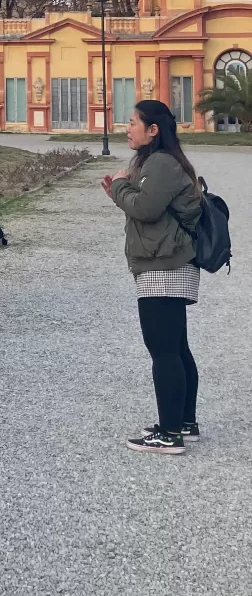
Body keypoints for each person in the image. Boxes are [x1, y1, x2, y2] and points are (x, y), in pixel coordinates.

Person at [104, 100, 204, 456]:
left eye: (132, 122)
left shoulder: (161, 163)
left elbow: (146, 209)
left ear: (153, 130)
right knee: (176, 348)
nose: (127, 128)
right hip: (168, 261)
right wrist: (125, 189)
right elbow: (146, 203)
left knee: (163, 351)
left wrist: (118, 186)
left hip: (164, 265)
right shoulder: (161, 162)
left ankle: (169, 433)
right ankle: (184, 422)